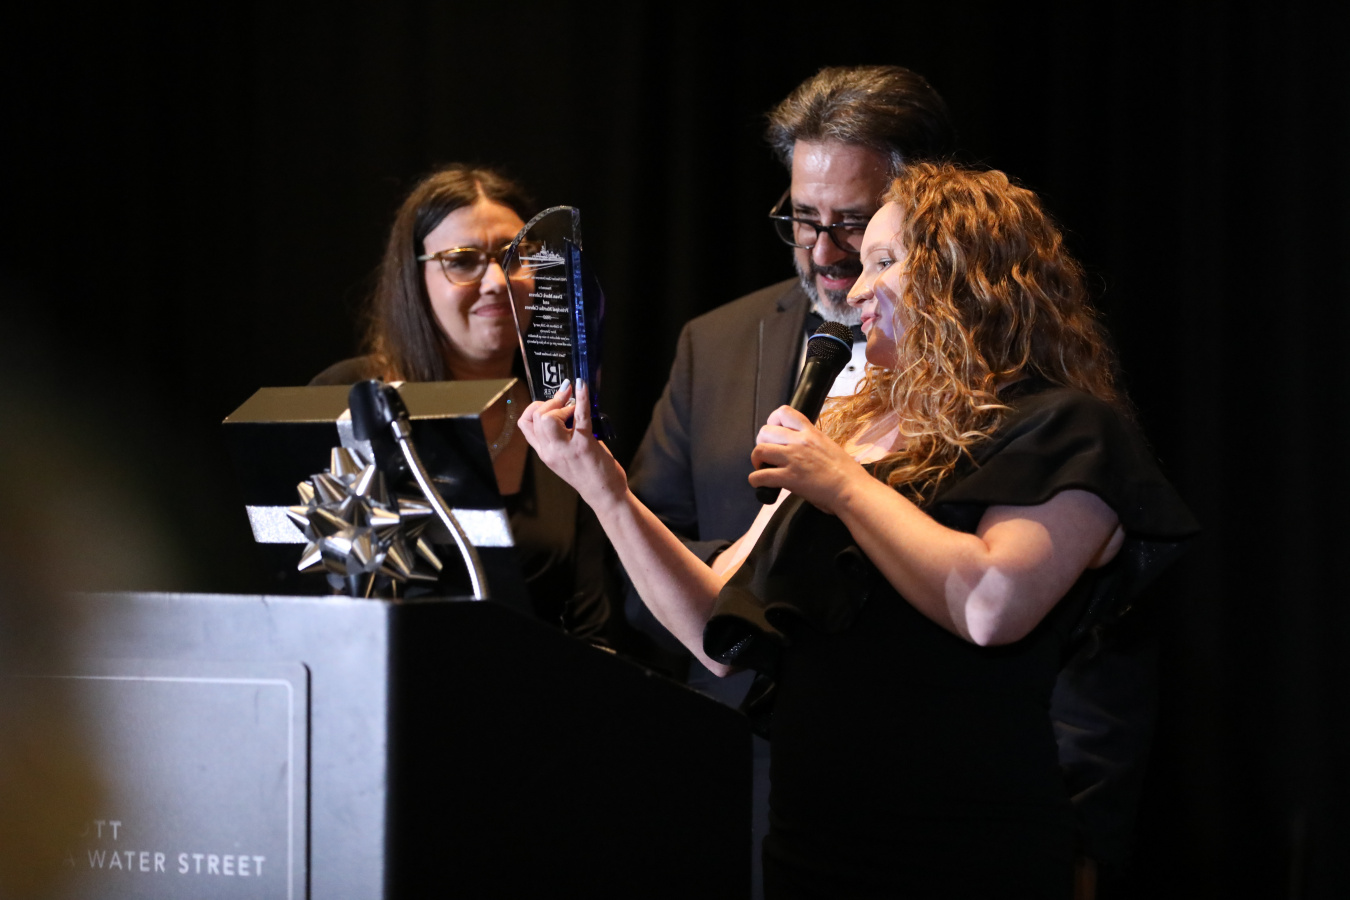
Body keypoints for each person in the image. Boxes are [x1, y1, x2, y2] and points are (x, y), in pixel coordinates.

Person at [521, 162, 1197, 897]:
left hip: (965, 848)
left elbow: (990, 605)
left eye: (885, 261)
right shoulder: (847, 435)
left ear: (968, 273)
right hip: (812, 842)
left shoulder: (1066, 428)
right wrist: (606, 490)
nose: (857, 288)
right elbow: (719, 632)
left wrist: (840, 482)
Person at [311, 164, 623, 646]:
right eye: (462, 260)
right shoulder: (349, 396)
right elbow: (311, 588)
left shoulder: (562, 412)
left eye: (515, 256)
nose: (497, 280)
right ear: (414, 277)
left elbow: (590, 621)